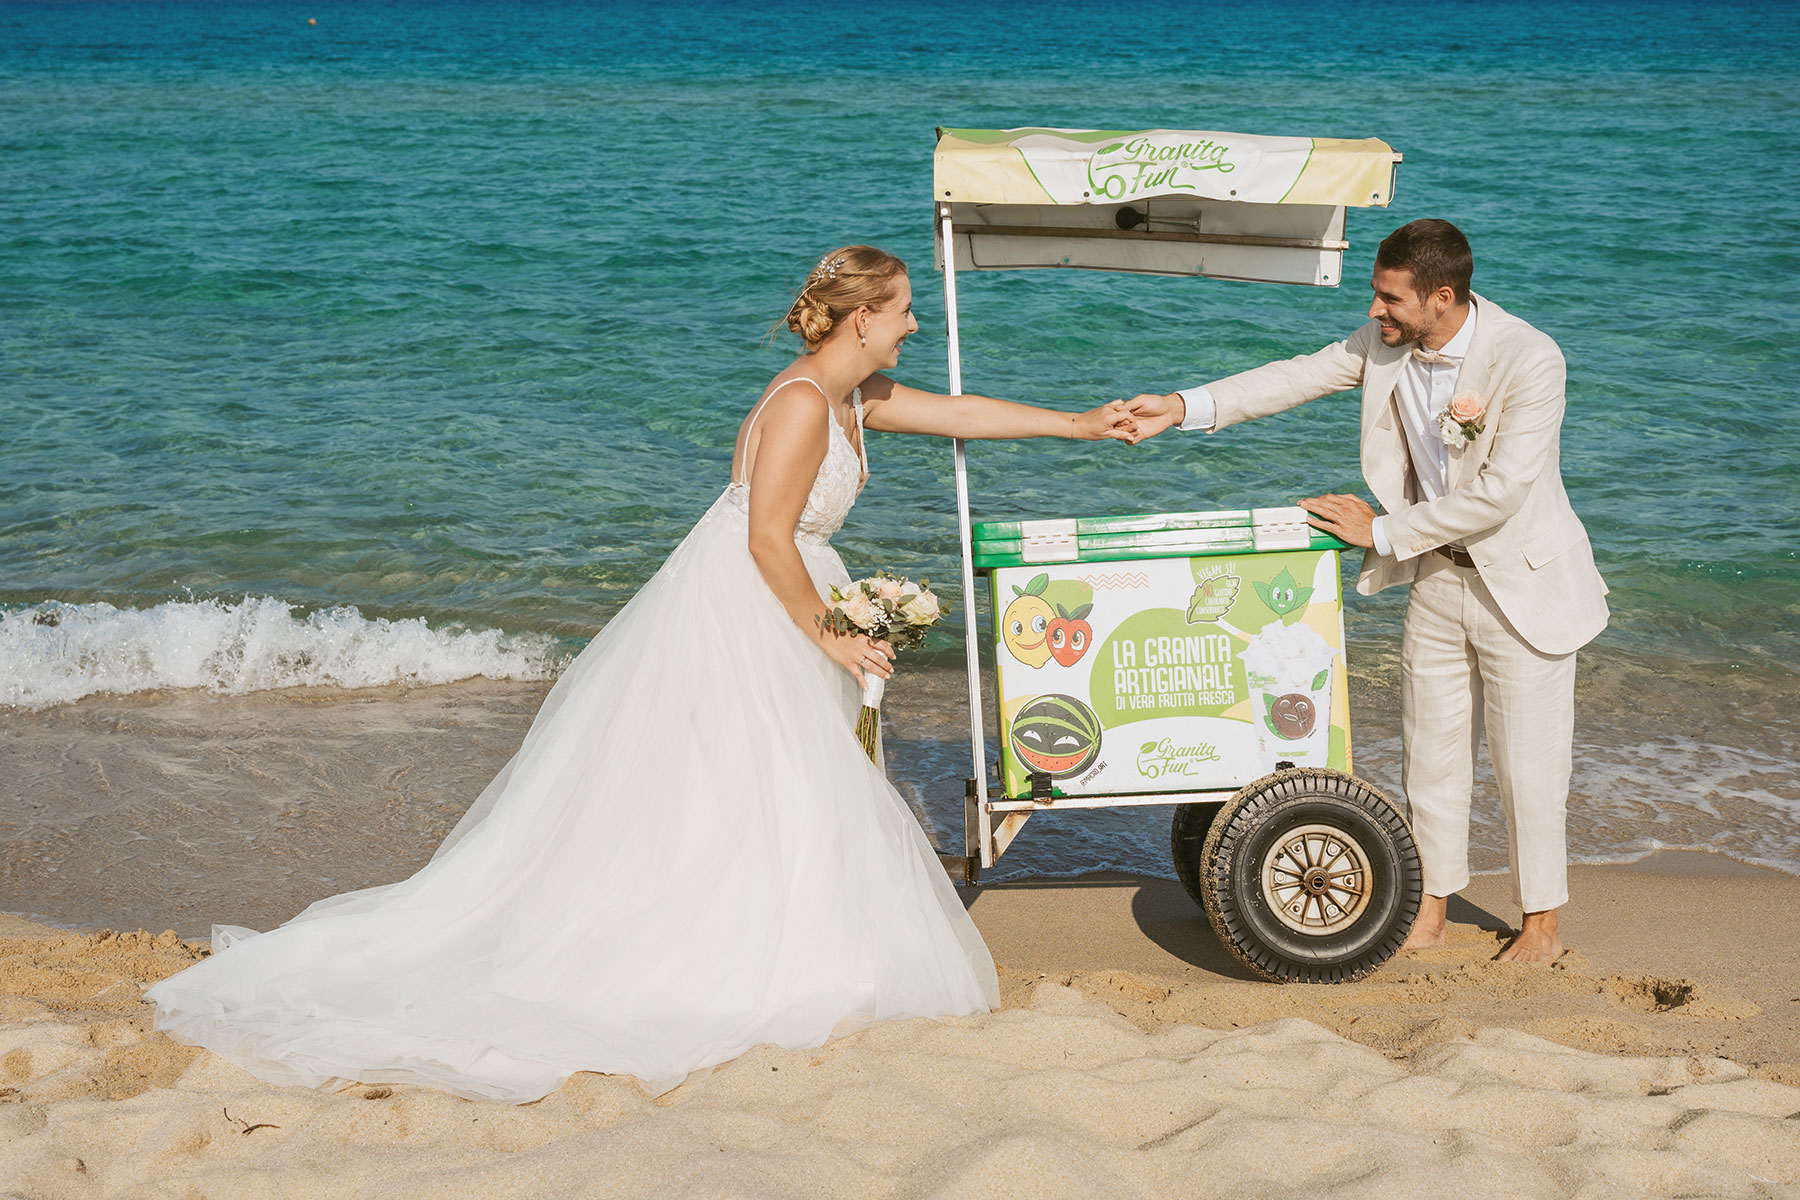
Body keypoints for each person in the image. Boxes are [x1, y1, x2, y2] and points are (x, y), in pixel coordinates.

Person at [146, 245, 1139, 1101]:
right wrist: (831, 634)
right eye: (906, 310)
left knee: (768, 788)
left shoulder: (850, 397)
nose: (916, 325)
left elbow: (959, 413)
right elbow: (765, 537)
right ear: (863, 319)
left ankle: (773, 943)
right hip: (756, 602)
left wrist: (1079, 425)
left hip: (782, 590)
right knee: (754, 783)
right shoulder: (804, 405)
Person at [1124, 219, 1608, 963]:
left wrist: (1378, 530)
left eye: (1390, 298)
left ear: (1441, 296)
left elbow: (1503, 492)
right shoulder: (1386, 342)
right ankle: (1432, 907)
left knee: (1529, 769)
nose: (1375, 310)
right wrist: (1181, 406)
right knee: (1430, 758)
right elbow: (1294, 376)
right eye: (1376, 294)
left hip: (1526, 586)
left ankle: (1541, 923)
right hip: (1436, 574)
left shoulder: (1530, 356)